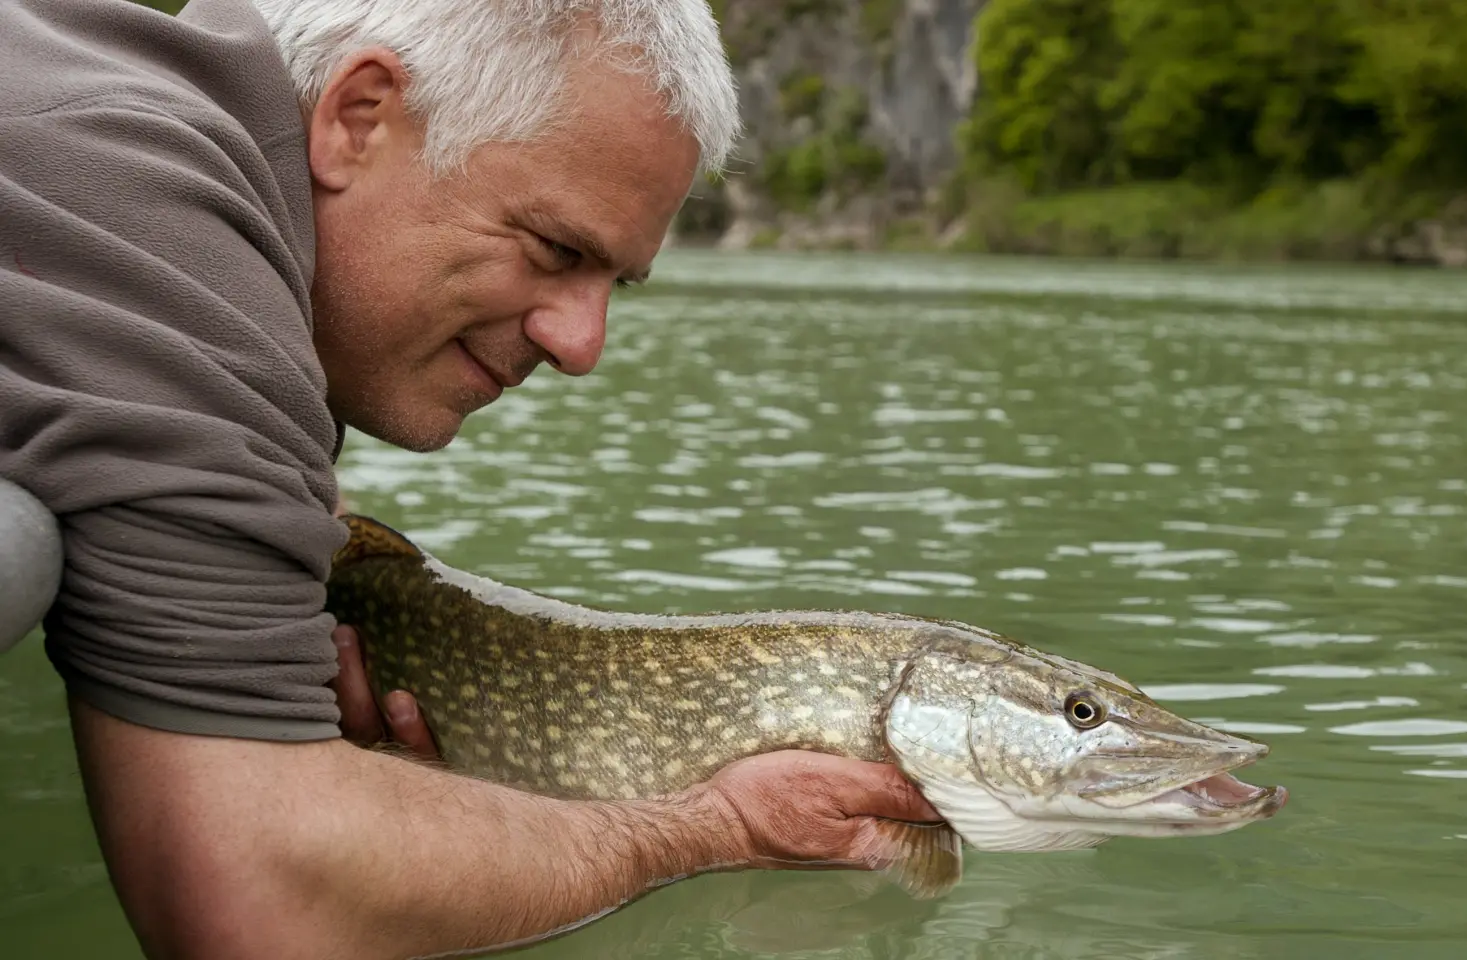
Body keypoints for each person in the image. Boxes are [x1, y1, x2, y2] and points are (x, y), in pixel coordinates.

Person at [0, 1, 941, 957]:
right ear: (359, 117)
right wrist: (712, 827)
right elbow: (263, 906)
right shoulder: (144, 202)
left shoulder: (119, 128)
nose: (582, 346)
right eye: (556, 250)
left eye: (612, 282)